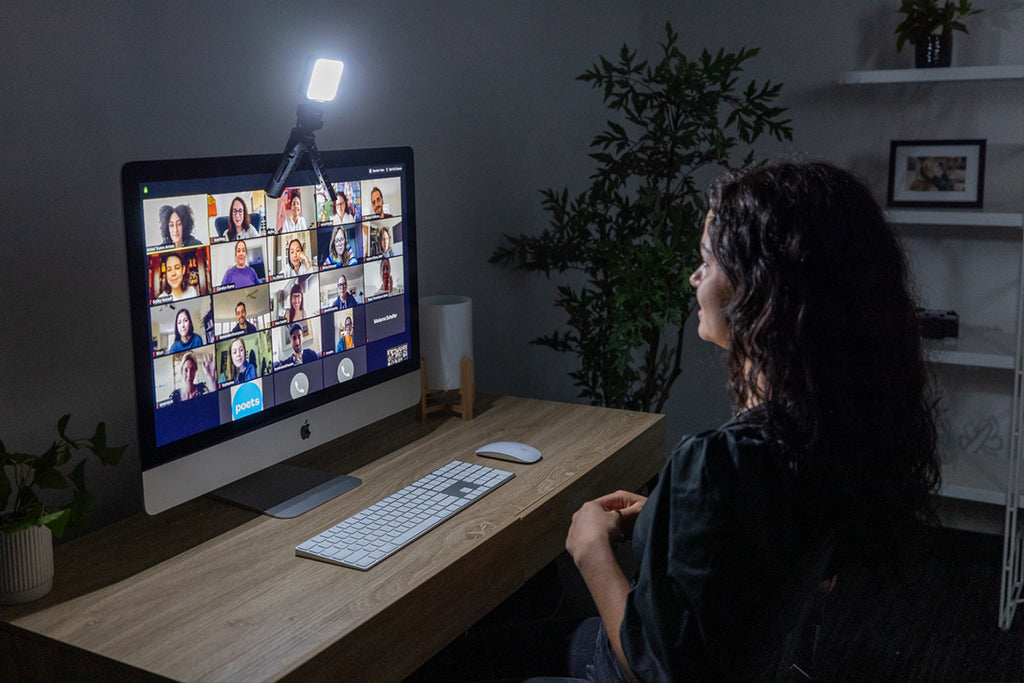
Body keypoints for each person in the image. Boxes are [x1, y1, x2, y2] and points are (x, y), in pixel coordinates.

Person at [558, 161, 940, 681]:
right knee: (571, 641)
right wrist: (670, 519)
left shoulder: (720, 462)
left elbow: (660, 669)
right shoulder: (835, 426)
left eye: (708, 262)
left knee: (537, 640)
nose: (695, 276)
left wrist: (591, 550)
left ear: (761, 289)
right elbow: (762, 554)